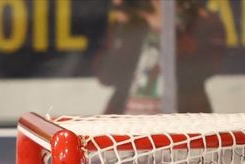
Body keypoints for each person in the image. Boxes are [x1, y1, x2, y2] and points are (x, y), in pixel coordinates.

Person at [95, 0, 226, 114]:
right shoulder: (133, 20)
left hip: (183, 123)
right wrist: (124, 30)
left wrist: (168, 30)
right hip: (129, 123)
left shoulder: (202, 19)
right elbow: (106, 77)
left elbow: (204, 69)